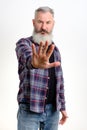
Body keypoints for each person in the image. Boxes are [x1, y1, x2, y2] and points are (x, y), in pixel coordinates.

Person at [15, 6, 68, 130]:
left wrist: (63, 107)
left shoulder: (55, 50)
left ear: (53, 24)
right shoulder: (24, 44)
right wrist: (34, 63)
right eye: (40, 22)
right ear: (34, 22)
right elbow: (27, 58)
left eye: (48, 22)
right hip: (29, 110)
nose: (44, 27)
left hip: (53, 112)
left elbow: (59, 83)